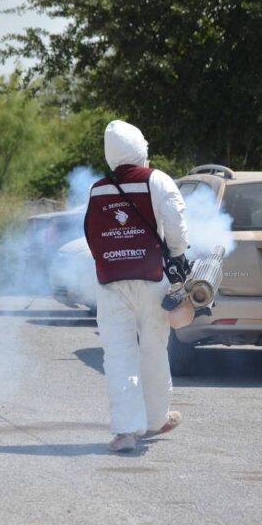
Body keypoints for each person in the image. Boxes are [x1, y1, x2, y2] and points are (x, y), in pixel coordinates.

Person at [84, 120, 189, 453]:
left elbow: (91, 235)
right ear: (140, 148)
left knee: (118, 356)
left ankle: (125, 431)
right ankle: (156, 419)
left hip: (111, 284)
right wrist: (176, 255)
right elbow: (177, 230)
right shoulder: (157, 181)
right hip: (152, 281)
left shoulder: (98, 189)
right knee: (154, 350)